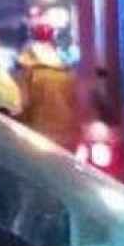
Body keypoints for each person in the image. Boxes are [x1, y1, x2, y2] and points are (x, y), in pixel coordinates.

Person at [16, 19, 80, 150]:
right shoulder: (65, 70)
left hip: (38, 138)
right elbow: (75, 103)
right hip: (66, 138)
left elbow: (22, 104)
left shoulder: (28, 71)